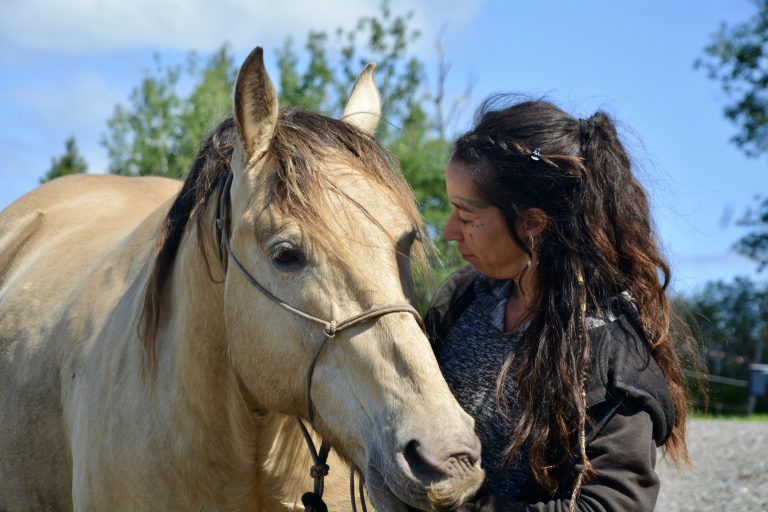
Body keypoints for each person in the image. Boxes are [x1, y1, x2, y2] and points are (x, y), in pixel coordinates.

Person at [424, 97, 694, 511]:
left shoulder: (611, 355)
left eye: (467, 216)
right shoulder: (461, 297)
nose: (449, 232)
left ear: (533, 224)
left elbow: (609, 505)